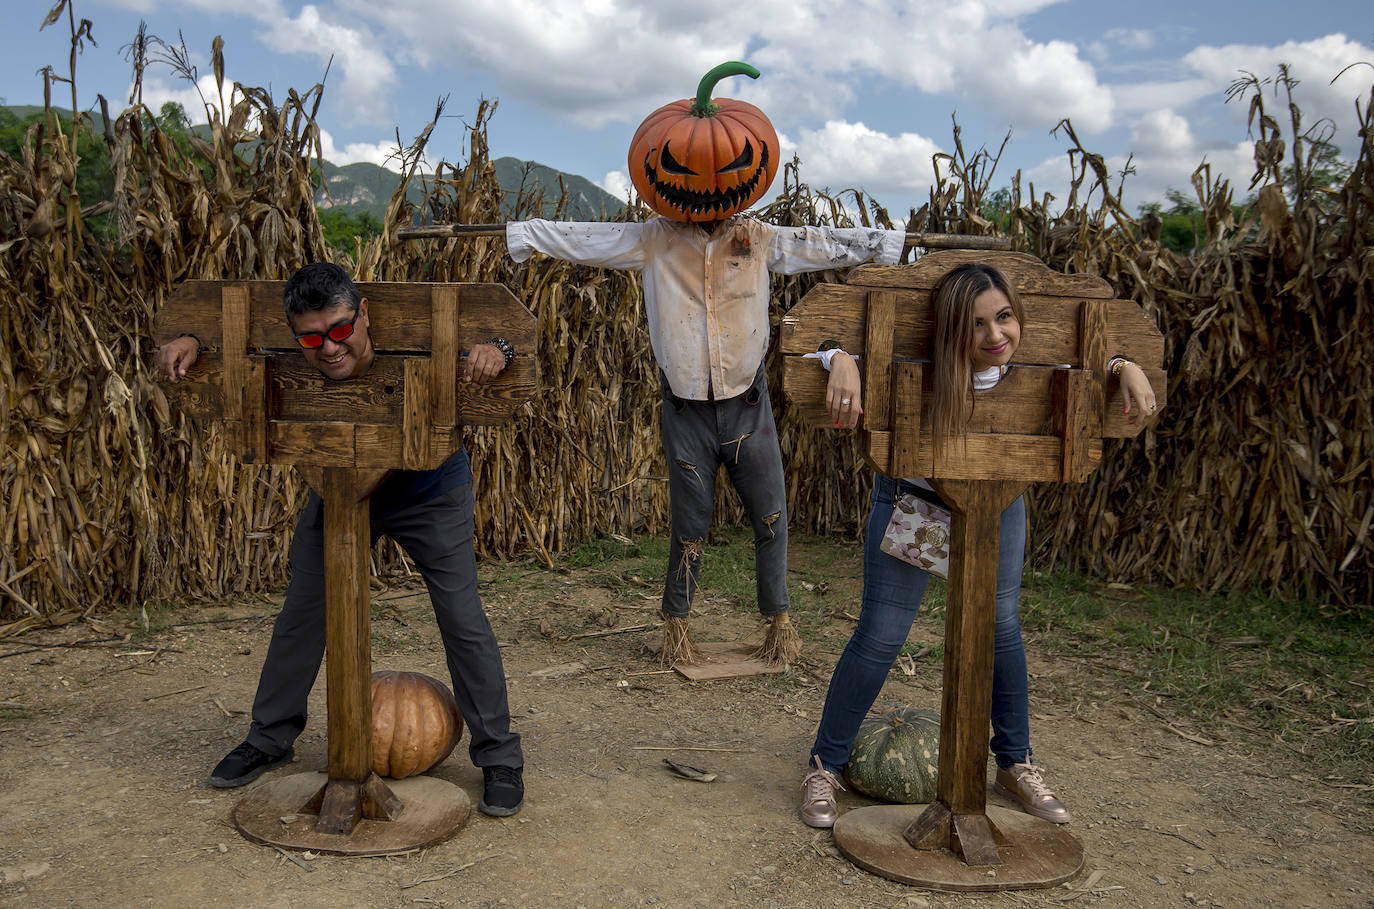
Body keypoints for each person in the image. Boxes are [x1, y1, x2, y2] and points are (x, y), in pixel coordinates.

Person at [156, 262, 526, 817]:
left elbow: (511, 339)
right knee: (303, 612)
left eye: (339, 330)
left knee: (461, 615)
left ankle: (499, 754)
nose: (328, 349)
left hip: (429, 487)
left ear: (366, 314)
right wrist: (194, 338)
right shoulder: (302, 349)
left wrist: (500, 346)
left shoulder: (415, 339)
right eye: (309, 337)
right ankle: (269, 737)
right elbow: (219, 329)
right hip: (337, 482)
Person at [799, 262, 1156, 828]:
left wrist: (1124, 364)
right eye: (977, 325)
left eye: (1005, 318)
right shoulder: (917, 361)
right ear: (949, 332)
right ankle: (827, 763)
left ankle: (1016, 763)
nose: (996, 337)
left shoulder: (1038, 363)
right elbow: (821, 340)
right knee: (883, 633)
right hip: (918, 501)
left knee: (1002, 628)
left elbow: (1089, 354)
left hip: (998, 499)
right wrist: (838, 358)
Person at [507, 217, 905, 665]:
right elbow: (591, 238)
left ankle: (779, 624)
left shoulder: (757, 237)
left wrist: (880, 244)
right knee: (689, 524)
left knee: (771, 515)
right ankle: (677, 626)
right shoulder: (655, 237)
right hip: (685, 406)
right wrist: (526, 235)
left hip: (748, 403)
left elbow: (816, 242)